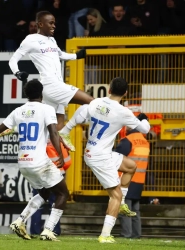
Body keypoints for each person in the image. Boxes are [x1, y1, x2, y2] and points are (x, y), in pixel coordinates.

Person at [59, 77, 150, 243]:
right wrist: (144, 118)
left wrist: (68, 128)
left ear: (109, 89)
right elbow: (144, 129)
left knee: (131, 166)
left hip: (100, 153)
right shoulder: (123, 111)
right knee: (114, 196)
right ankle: (105, 234)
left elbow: (82, 112)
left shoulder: (97, 102)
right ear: (126, 93)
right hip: (100, 157)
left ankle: (121, 202)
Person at [0, 79, 69, 241]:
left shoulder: (18, 111)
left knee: (44, 192)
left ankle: (19, 221)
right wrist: (60, 154)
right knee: (62, 193)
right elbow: (54, 133)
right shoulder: (47, 109)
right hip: (40, 161)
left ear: (26, 94)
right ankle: (48, 230)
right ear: (42, 93)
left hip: (23, 162)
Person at [8, 10, 94, 151]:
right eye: (51, 23)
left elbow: (60, 55)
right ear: (40, 24)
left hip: (55, 85)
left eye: (55, 23)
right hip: (51, 84)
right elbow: (13, 59)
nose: (54, 26)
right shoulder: (31, 39)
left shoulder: (52, 40)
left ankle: (49, 159)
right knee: (93, 102)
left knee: (56, 124)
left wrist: (76, 56)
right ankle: (66, 132)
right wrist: (17, 72)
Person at [116, 125, 150, 239]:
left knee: (124, 207)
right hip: (139, 180)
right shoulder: (145, 141)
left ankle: (126, 234)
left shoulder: (128, 141)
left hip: (126, 179)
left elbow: (116, 157)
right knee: (135, 209)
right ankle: (136, 234)